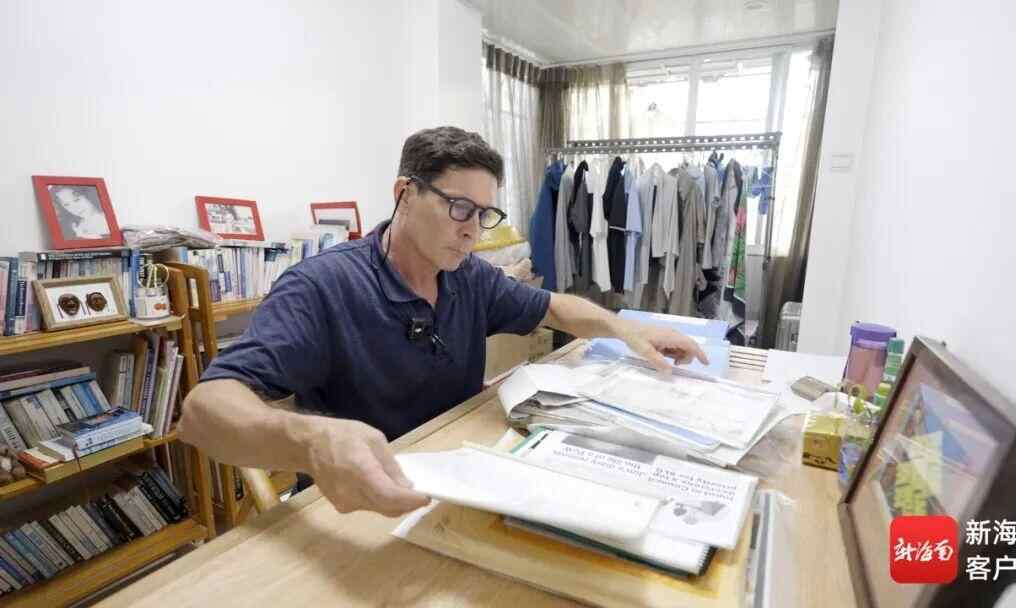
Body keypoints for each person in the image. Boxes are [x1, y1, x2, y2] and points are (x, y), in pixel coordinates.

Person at [179, 126, 707, 517]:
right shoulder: (321, 287)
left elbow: (552, 307)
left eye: (484, 214)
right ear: (404, 194)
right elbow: (203, 411)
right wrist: (310, 441)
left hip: (458, 480)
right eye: (459, 208)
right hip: (361, 505)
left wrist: (629, 331)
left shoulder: (468, 276)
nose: (473, 231)